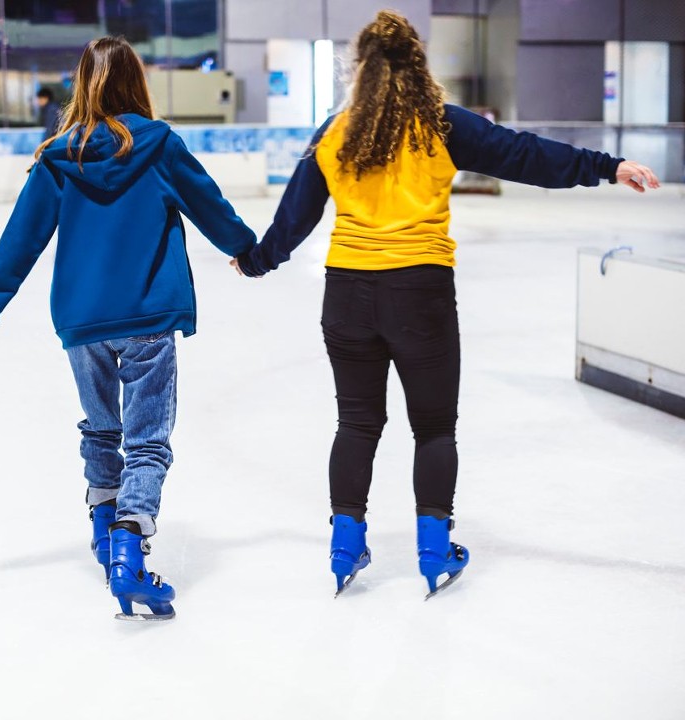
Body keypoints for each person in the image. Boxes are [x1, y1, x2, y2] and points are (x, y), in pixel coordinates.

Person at [232, 10, 659, 599]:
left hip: (348, 296)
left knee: (357, 422)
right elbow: (525, 155)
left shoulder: (335, 132)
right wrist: (607, 167)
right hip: (420, 294)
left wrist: (255, 260)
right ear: (417, 65)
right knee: (433, 427)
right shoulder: (440, 125)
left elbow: (293, 220)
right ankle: (434, 550)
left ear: (359, 68)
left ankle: (344, 544)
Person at [0, 37, 256, 620]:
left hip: (82, 321)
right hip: (148, 315)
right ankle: (129, 546)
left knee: (102, 430)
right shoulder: (159, 146)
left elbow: (20, 239)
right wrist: (246, 250)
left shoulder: (58, 157)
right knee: (146, 440)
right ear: (137, 82)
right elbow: (210, 206)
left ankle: (105, 536)